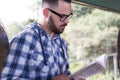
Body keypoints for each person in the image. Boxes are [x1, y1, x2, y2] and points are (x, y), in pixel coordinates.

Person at [1, 0, 85, 80]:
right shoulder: (25, 39)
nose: (67, 21)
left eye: (68, 16)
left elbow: (66, 75)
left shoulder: (62, 43)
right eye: (62, 16)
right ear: (46, 13)